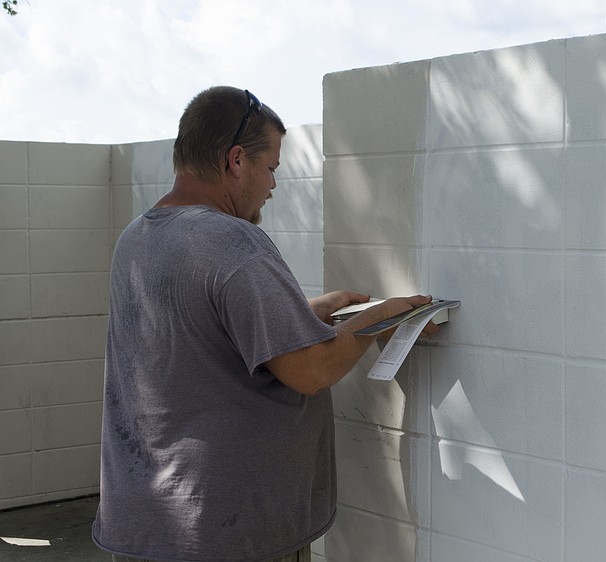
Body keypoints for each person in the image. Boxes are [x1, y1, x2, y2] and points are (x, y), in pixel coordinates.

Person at [92, 85, 436, 562]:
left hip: (145, 525)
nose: (273, 184)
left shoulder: (138, 238)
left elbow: (205, 331)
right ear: (236, 161)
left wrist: (306, 311)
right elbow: (311, 369)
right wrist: (383, 316)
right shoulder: (232, 241)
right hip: (225, 536)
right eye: (271, 167)